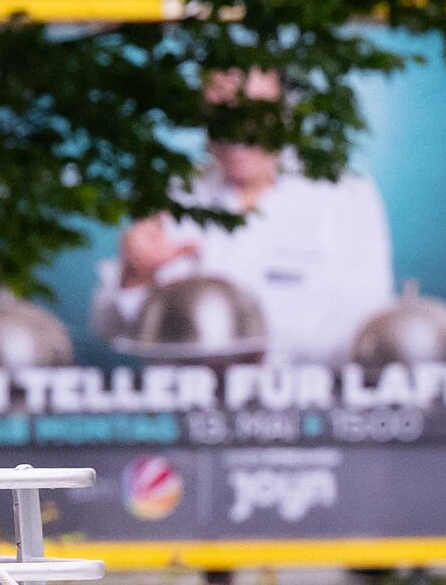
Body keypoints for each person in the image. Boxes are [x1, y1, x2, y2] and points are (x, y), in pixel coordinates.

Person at [93, 72, 395, 368]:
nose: (235, 130)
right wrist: (135, 277)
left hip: (302, 406)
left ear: (286, 113)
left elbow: (366, 326)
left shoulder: (344, 195)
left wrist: (250, 352)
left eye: (254, 112)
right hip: (187, 406)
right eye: (219, 112)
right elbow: (110, 329)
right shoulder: (175, 194)